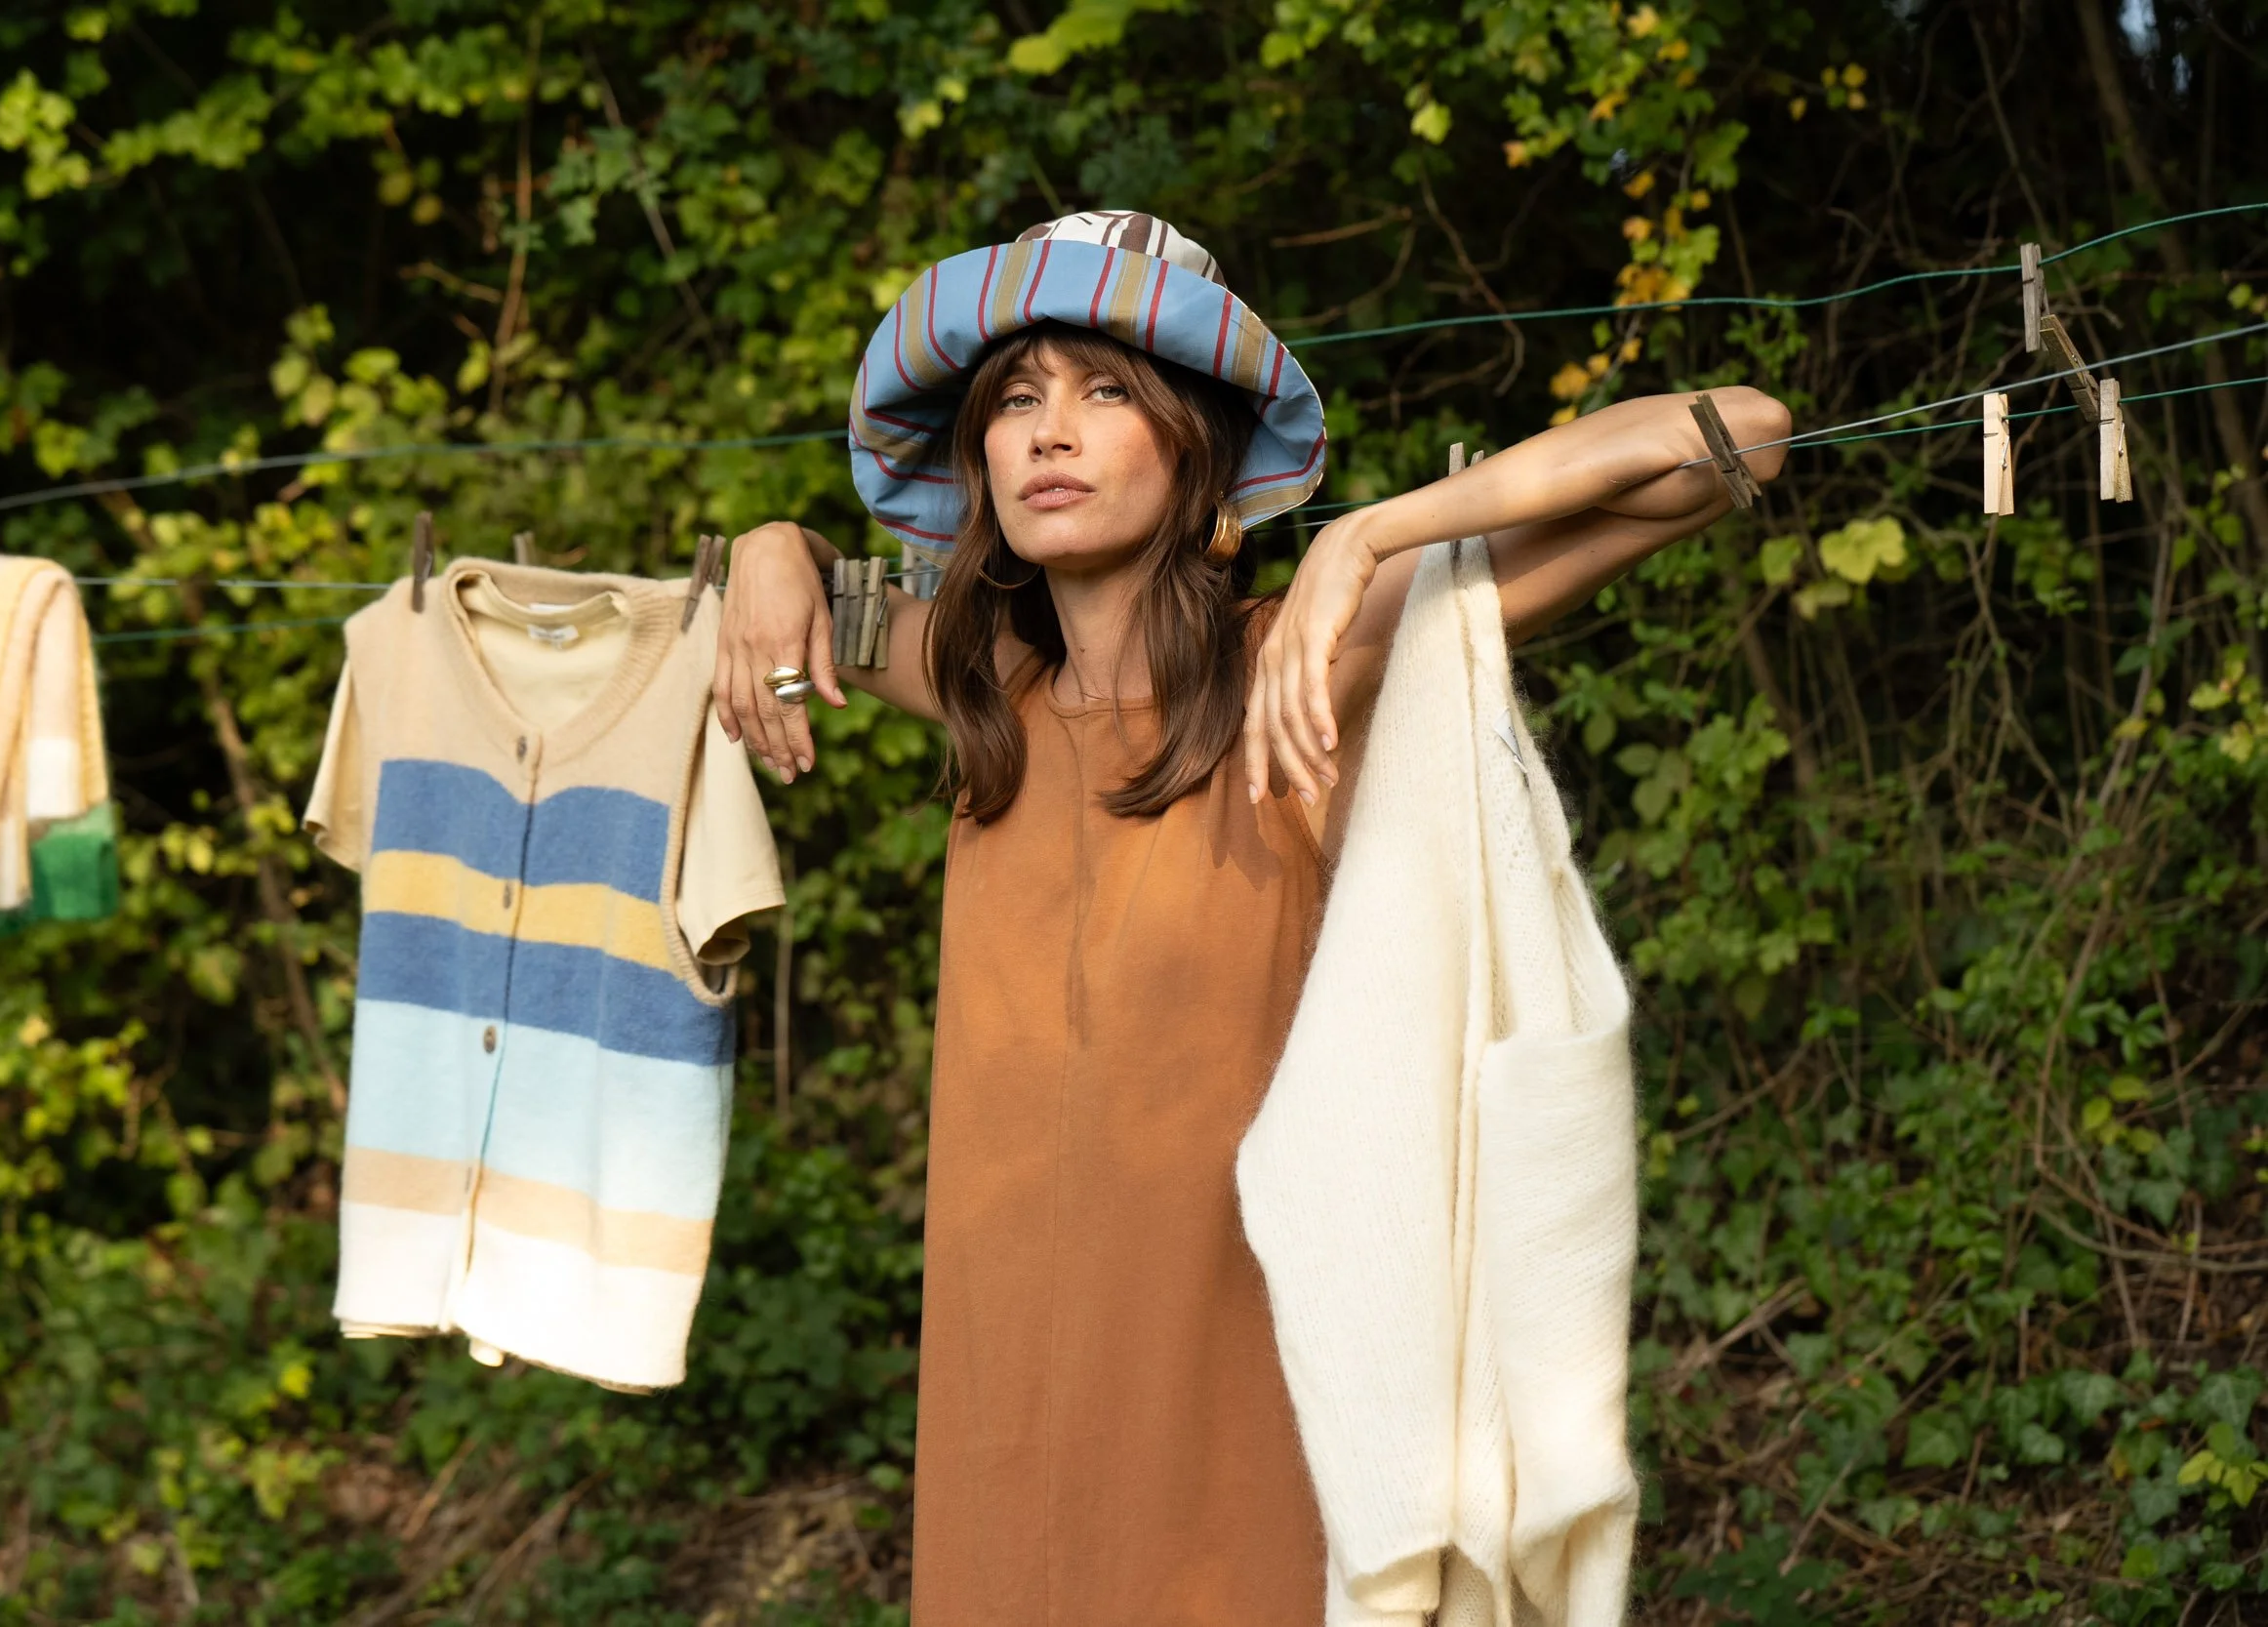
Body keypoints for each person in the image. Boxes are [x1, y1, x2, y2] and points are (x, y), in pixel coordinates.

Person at [712, 212, 1790, 1627]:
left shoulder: (1302, 659)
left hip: (1241, 1342)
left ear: (1198, 449)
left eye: (1108, 391)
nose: (1050, 432)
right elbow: (746, 606)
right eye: (1017, 399)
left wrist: (1369, 538)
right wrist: (770, 543)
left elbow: (1736, 437)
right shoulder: (978, 690)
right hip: (1005, 1358)